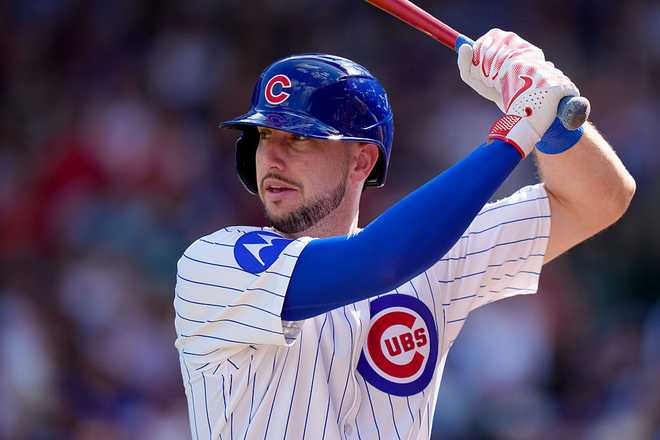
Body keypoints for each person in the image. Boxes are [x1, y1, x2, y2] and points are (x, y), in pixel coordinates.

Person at [174, 29, 635, 439]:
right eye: (263, 137)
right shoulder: (215, 265)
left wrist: (556, 126)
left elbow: (601, 200)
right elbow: (379, 262)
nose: (271, 158)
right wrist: (516, 129)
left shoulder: (430, 253)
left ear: (361, 161)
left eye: (299, 139)